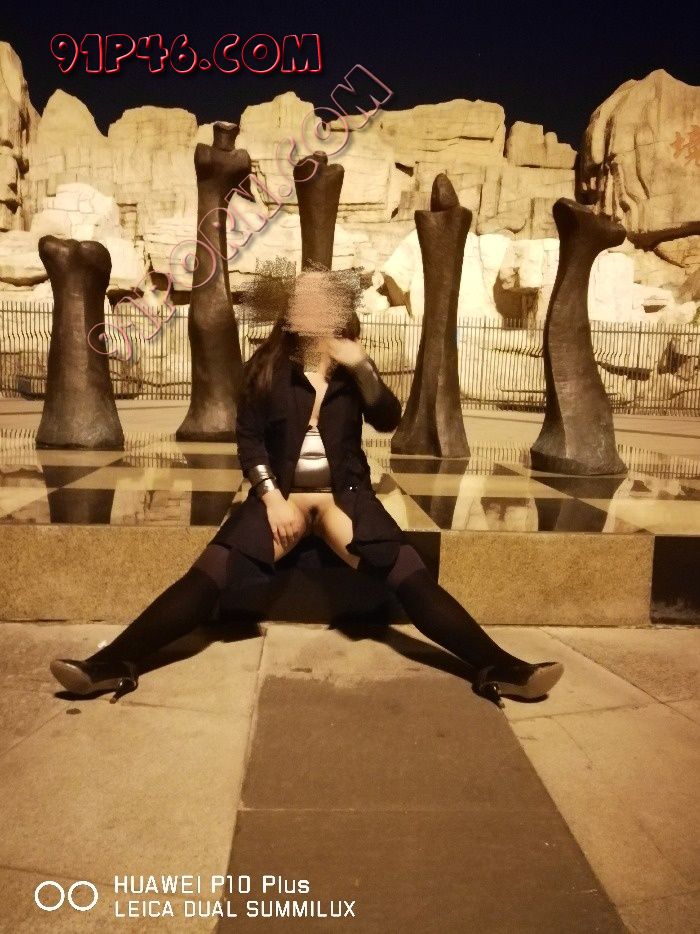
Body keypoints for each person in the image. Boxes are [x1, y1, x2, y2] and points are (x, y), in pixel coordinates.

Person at [50, 266, 563, 708]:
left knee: (412, 575)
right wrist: (272, 499)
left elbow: (388, 419)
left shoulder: (352, 370)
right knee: (208, 575)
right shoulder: (266, 367)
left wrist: (361, 365)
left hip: (346, 499)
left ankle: (500, 667)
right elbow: (249, 442)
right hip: (282, 499)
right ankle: (111, 663)